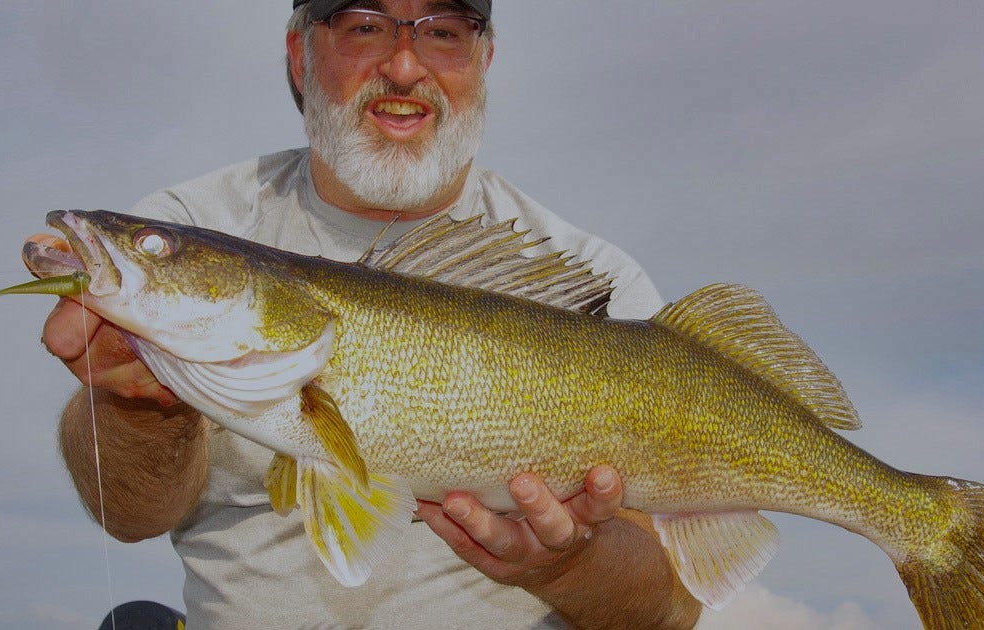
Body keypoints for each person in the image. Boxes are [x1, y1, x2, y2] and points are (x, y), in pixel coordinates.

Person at [42, 1, 702, 627]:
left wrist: (570, 565)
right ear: (300, 53)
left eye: (444, 32)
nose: (405, 66)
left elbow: (672, 612)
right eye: (364, 27)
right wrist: (137, 397)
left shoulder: (592, 288)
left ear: (485, 59)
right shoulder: (199, 222)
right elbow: (126, 515)